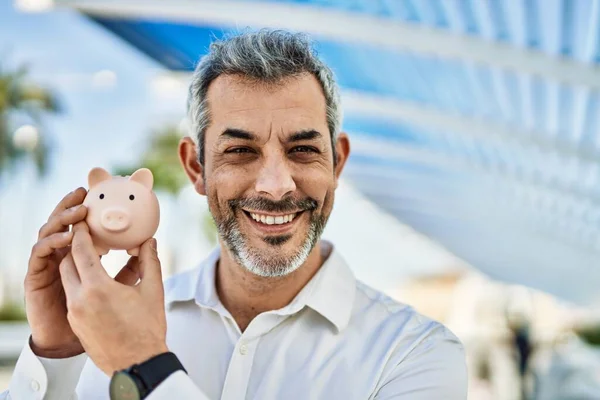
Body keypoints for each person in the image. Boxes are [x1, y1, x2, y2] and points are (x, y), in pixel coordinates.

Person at [2, 29, 467, 399]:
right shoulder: (105, 324)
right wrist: (58, 354)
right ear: (195, 167)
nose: (276, 185)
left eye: (303, 149)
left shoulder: (414, 355)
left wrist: (145, 368)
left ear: (337, 163)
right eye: (240, 150)